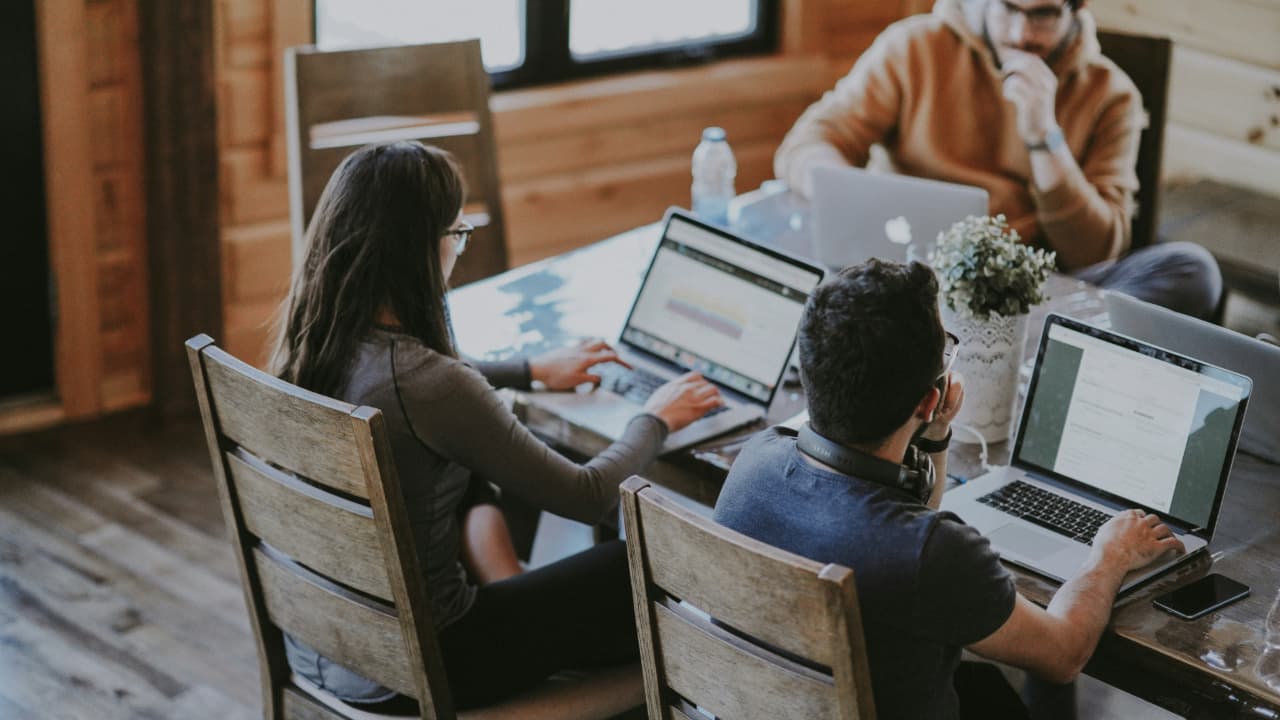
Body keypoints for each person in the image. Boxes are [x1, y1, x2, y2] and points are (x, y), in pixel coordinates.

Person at [269, 140, 723, 712]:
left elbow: (428, 388)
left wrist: (529, 371)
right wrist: (655, 416)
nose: (459, 249)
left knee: (471, 470)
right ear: (421, 249)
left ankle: (516, 591)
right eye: (457, 235)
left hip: (324, 644)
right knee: (625, 566)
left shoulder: (315, 342)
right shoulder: (427, 384)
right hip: (427, 664)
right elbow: (583, 495)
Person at [712, 259, 1185, 719]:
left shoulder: (754, 462)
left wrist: (933, 435)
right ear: (929, 398)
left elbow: (904, 524)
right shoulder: (932, 554)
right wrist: (1111, 554)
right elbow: (1063, 654)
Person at [775, 0, 1222, 320]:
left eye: (1044, 13)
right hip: (905, 274)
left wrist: (1045, 137)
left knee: (1193, 270)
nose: (1021, 34)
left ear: (1076, 7)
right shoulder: (913, 47)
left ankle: (1027, 352)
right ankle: (1027, 357)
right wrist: (847, 197)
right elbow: (808, 143)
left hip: (1030, 298)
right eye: (1008, 7)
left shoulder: (1112, 95)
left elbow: (1096, 251)